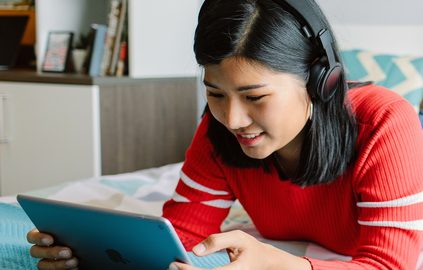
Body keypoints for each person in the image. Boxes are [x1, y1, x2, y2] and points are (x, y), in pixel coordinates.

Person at [27, 0, 423, 269]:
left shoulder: (385, 122)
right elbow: (183, 233)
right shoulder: (219, 126)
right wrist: (97, 255)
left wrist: (283, 264)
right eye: (215, 93)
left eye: (255, 96)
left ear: (322, 81)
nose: (233, 119)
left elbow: (388, 264)